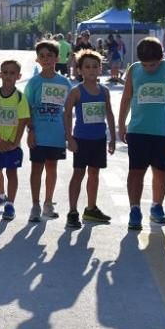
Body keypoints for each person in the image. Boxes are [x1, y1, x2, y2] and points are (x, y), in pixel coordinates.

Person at [117, 36, 165, 231]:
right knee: (136, 171)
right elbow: (127, 97)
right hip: (138, 130)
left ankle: (157, 206)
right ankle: (134, 210)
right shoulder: (134, 69)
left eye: (153, 65)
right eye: (145, 64)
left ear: (161, 58)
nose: (149, 68)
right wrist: (121, 124)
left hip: (164, 132)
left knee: (161, 172)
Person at [63, 49, 115, 229]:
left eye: (95, 66)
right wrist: (69, 138)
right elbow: (67, 114)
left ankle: (91, 208)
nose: (92, 70)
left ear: (100, 69)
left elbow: (109, 113)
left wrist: (113, 138)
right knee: (78, 173)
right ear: (79, 70)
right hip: (81, 139)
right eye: (87, 67)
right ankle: (72, 211)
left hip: (99, 139)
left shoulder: (104, 91)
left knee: (94, 173)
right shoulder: (76, 91)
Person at [25, 39, 72, 222]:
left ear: (57, 58)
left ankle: (48, 202)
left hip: (56, 135)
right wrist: (31, 130)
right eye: (42, 56)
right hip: (39, 133)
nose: (46, 59)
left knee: (52, 168)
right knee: (37, 168)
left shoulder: (65, 83)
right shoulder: (34, 83)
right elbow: (27, 108)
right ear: (37, 59)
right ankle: (35, 205)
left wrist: (69, 134)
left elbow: (68, 112)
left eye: (50, 56)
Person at [0, 59, 30, 221]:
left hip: (13, 145)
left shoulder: (20, 98)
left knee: (12, 172)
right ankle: (0, 196)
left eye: (12, 73)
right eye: (5, 72)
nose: (8, 76)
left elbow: (23, 120)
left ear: (18, 76)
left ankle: (10, 204)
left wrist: (15, 142)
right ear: (0, 74)